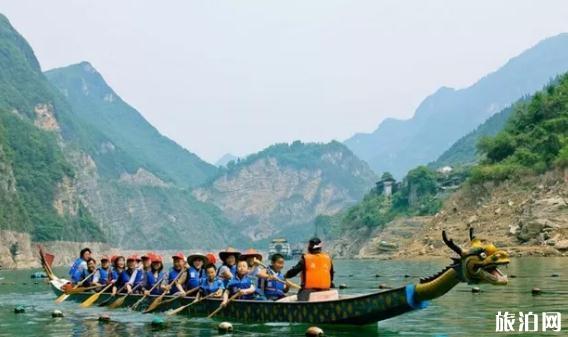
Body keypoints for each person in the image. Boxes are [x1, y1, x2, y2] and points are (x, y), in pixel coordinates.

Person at [284, 237, 334, 301]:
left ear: (310, 247)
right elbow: (331, 276)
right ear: (320, 248)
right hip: (326, 290)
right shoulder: (328, 259)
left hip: (308, 291)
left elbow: (294, 271)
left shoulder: (306, 259)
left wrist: (285, 276)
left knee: (301, 296)